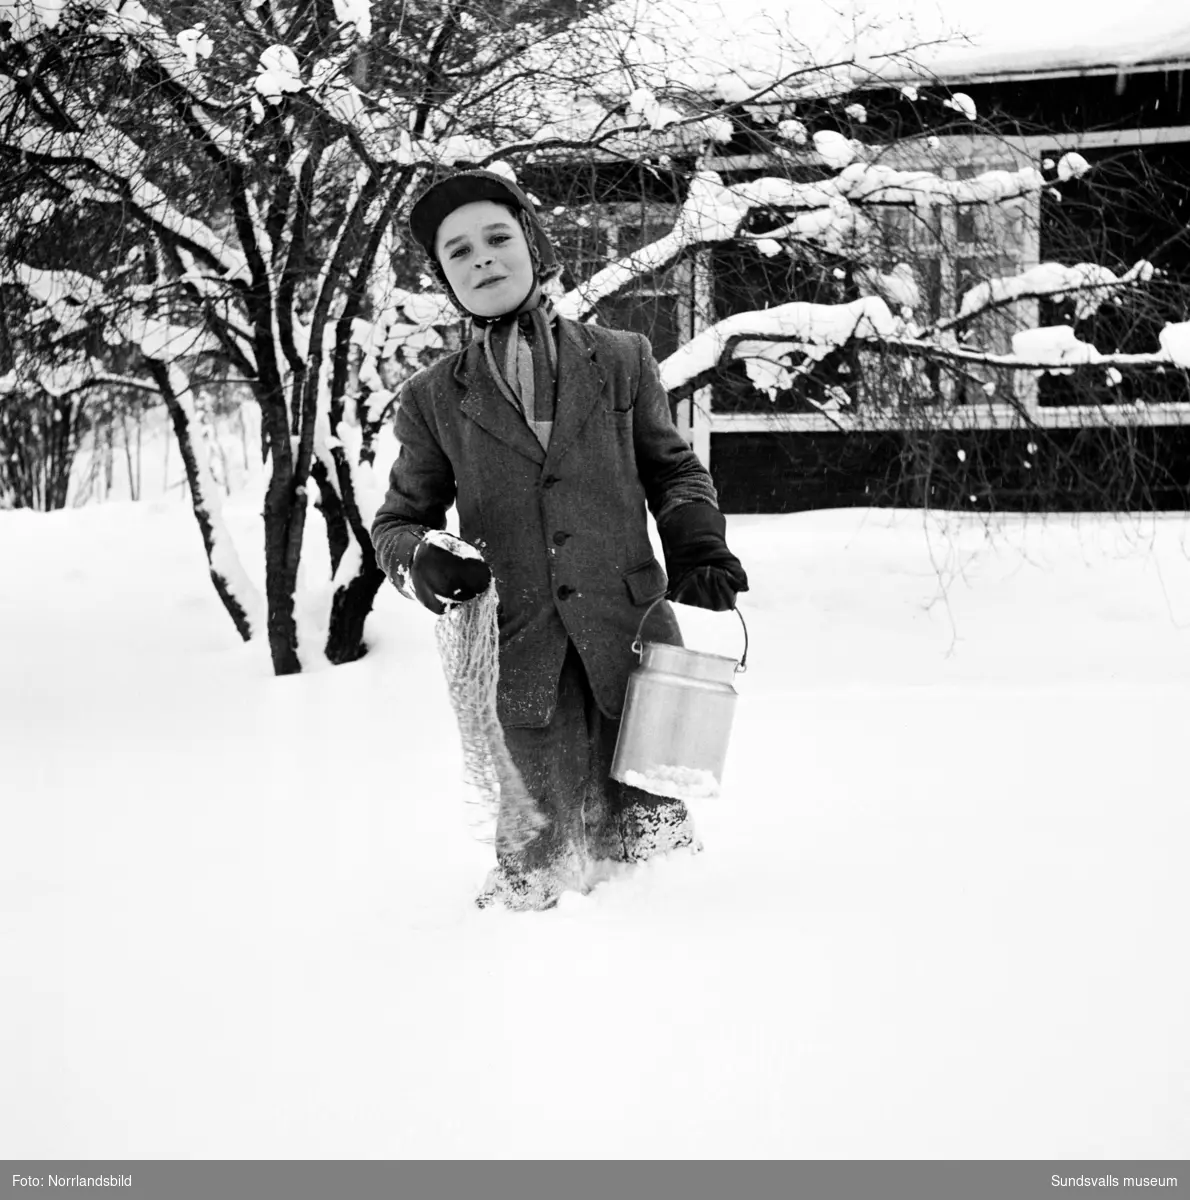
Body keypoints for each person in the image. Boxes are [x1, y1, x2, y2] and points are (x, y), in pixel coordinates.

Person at [370, 168, 748, 911]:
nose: (482, 258)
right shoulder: (432, 400)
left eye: (497, 237)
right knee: (535, 871)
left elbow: (672, 468)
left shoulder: (621, 359)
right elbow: (396, 525)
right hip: (520, 657)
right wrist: (422, 559)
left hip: (634, 644)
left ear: (533, 245)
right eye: (459, 252)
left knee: (658, 861)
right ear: (446, 279)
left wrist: (696, 538)